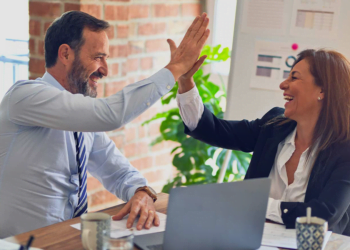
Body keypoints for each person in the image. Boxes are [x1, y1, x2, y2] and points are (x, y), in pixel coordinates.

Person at [0, 11, 210, 238]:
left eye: (106, 58)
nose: (105, 70)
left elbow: (118, 171)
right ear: (65, 54)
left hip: (67, 240)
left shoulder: (80, 120)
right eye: (98, 57)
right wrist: (176, 68)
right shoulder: (26, 96)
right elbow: (111, 115)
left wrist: (142, 192)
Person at [176, 49, 350, 236]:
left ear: (322, 90)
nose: (283, 84)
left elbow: (324, 215)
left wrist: (256, 204)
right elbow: (213, 130)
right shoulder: (274, 126)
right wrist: (185, 81)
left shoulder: (344, 149)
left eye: (294, 78)